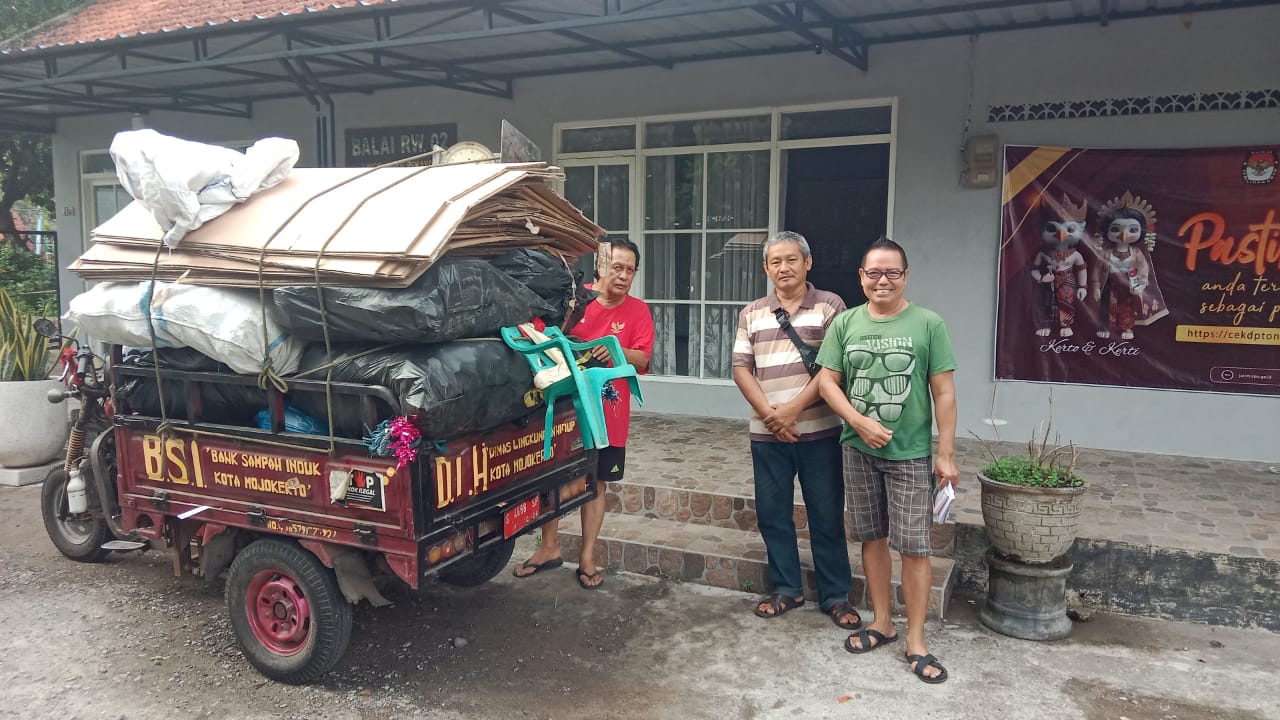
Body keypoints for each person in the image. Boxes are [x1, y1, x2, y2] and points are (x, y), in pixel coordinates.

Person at [815, 235, 958, 685]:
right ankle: (882, 621)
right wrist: (858, 422)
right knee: (871, 538)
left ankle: (916, 639)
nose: (883, 280)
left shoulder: (928, 323)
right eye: (874, 272)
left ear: (905, 276)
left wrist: (946, 453)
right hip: (857, 449)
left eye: (892, 272)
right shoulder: (845, 323)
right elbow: (828, 382)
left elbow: (944, 392)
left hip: (910, 454)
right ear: (861, 277)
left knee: (914, 547)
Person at [731, 231, 860, 630]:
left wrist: (792, 410)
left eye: (791, 260)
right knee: (772, 514)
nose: (784, 268)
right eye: (776, 262)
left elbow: (833, 368)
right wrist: (770, 415)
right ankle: (786, 588)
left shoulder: (830, 306)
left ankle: (836, 595)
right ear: (766, 268)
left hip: (819, 431)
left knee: (825, 513)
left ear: (808, 262)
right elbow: (741, 369)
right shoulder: (751, 313)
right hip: (766, 433)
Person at [513, 239, 654, 589]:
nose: (623, 276)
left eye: (630, 270)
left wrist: (616, 349)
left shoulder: (638, 311)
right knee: (554, 477)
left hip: (609, 413)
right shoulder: (575, 300)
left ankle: (587, 557)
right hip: (565, 409)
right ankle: (549, 547)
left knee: (597, 482)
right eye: (617, 267)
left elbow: (643, 359)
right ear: (601, 267)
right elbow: (542, 335)